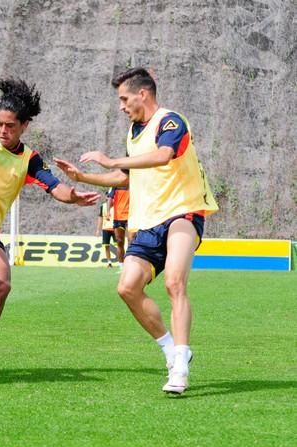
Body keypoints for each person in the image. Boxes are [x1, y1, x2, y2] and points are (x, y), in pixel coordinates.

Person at [54, 67, 218, 394]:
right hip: (148, 221)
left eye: (124, 98)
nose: (121, 106)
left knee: (174, 281)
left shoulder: (171, 121)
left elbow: (164, 155)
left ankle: (181, 366)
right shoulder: (133, 131)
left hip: (184, 212)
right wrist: (83, 178)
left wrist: (111, 160)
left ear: (142, 94)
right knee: (127, 288)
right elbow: (128, 178)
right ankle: (170, 349)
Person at [0, 78, 100, 379]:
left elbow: (54, 187)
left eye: (10, 125)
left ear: (25, 125)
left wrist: (73, 196)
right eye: (0, 123)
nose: (3, 130)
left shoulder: (29, 159)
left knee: (0, 284)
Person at [109, 185, 130, 270]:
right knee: (119, 241)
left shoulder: (134, 181)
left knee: (131, 240)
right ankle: (121, 266)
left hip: (131, 216)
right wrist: (107, 211)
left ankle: (130, 265)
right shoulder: (115, 185)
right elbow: (110, 198)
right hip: (118, 217)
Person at [96, 190, 115, 267]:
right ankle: (109, 262)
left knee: (119, 245)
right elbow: (100, 218)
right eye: (107, 196)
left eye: (110, 197)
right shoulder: (103, 206)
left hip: (115, 228)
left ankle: (122, 262)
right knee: (106, 245)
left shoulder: (116, 205)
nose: (108, 198)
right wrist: (98, 229)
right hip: (106, 228)